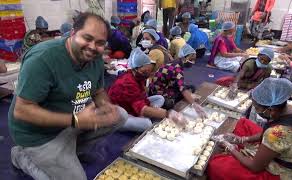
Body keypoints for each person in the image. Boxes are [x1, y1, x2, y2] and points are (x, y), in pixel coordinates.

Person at [8, 13, 128, 180]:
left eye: (100, 43)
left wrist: (106, 106)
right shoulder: (43, 59)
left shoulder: (95, 58)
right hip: (38, 135)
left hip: (71, 119)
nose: (93, 47)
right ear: (73, 33)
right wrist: (76, 120)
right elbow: (22, 111)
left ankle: (71, 150)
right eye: (87, 38)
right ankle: (22, 157)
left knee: (120, 116)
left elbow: (98, 91)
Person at [208, 78, 292, 180]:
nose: (256, 111)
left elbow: (255, 167)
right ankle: (245, 148)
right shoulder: (290, 109)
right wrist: (243, 139)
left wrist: (230, 148)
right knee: (243, 123)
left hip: (283, 174)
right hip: (283, 146)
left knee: (217, 165)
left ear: (271, 110)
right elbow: (271, 134)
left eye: (257, 108)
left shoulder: (275, 133)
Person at [108, 48, 169, 132]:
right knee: (147, 125)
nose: (147, 74)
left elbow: (142, 96)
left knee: (160, 98)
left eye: (149, 71)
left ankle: (146, 115)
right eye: (144, 71)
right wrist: (168, 114)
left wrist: (150, 108)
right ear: (135, 68)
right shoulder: (127, 82)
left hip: (131, 105)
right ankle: (117, 123)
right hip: (119, 111)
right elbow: (141, 108)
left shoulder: (139, 77)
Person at [149, 44, 206, 117]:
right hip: (159, 91)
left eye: (194, 60)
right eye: (191, 59)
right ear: (183, 58)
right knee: (170, 103)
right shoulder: (177, 68)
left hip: (168, 85)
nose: (193, 62)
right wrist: (194, 104)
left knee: (191, 87)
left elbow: (178, 82)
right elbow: (182, 89)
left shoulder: (176, 62)